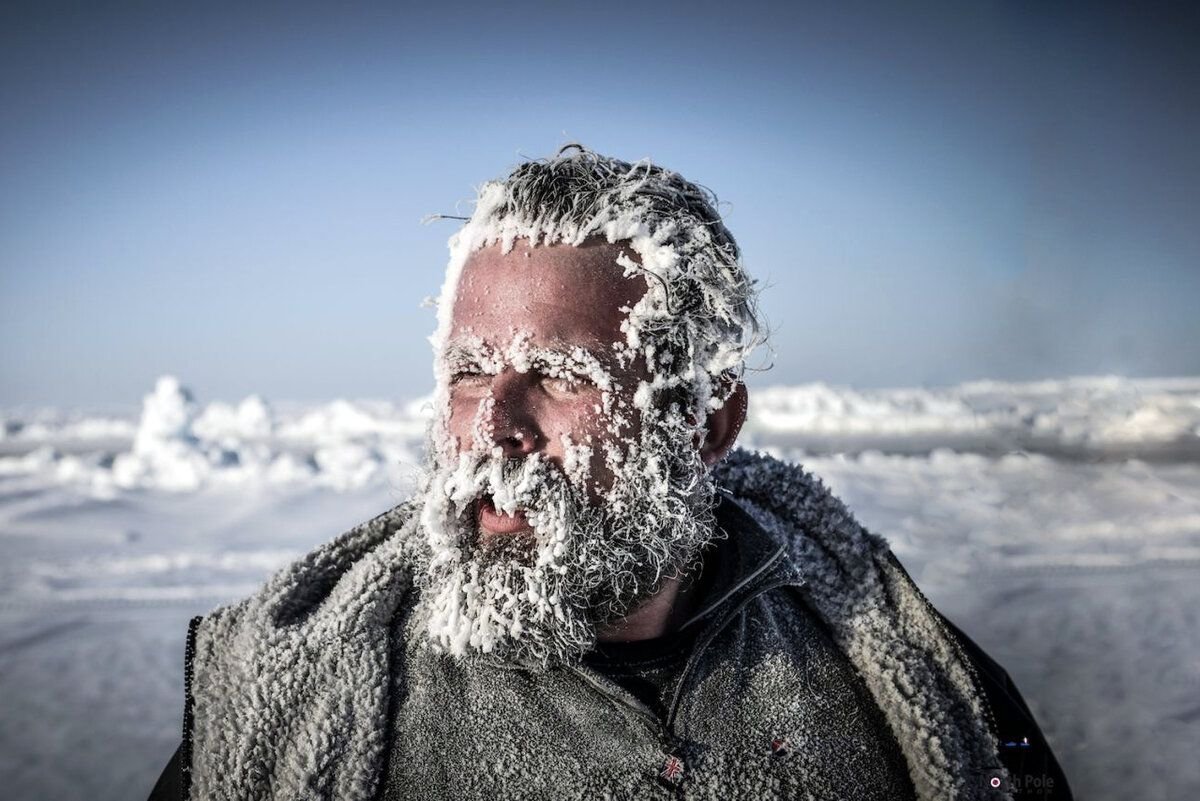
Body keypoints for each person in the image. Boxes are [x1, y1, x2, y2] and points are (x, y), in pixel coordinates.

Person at [148, 146, 1072, 800]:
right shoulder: (300, 697)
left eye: (559, 374)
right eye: (470, 371)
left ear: (707, 423)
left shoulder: (900, 668)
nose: (493, 426)